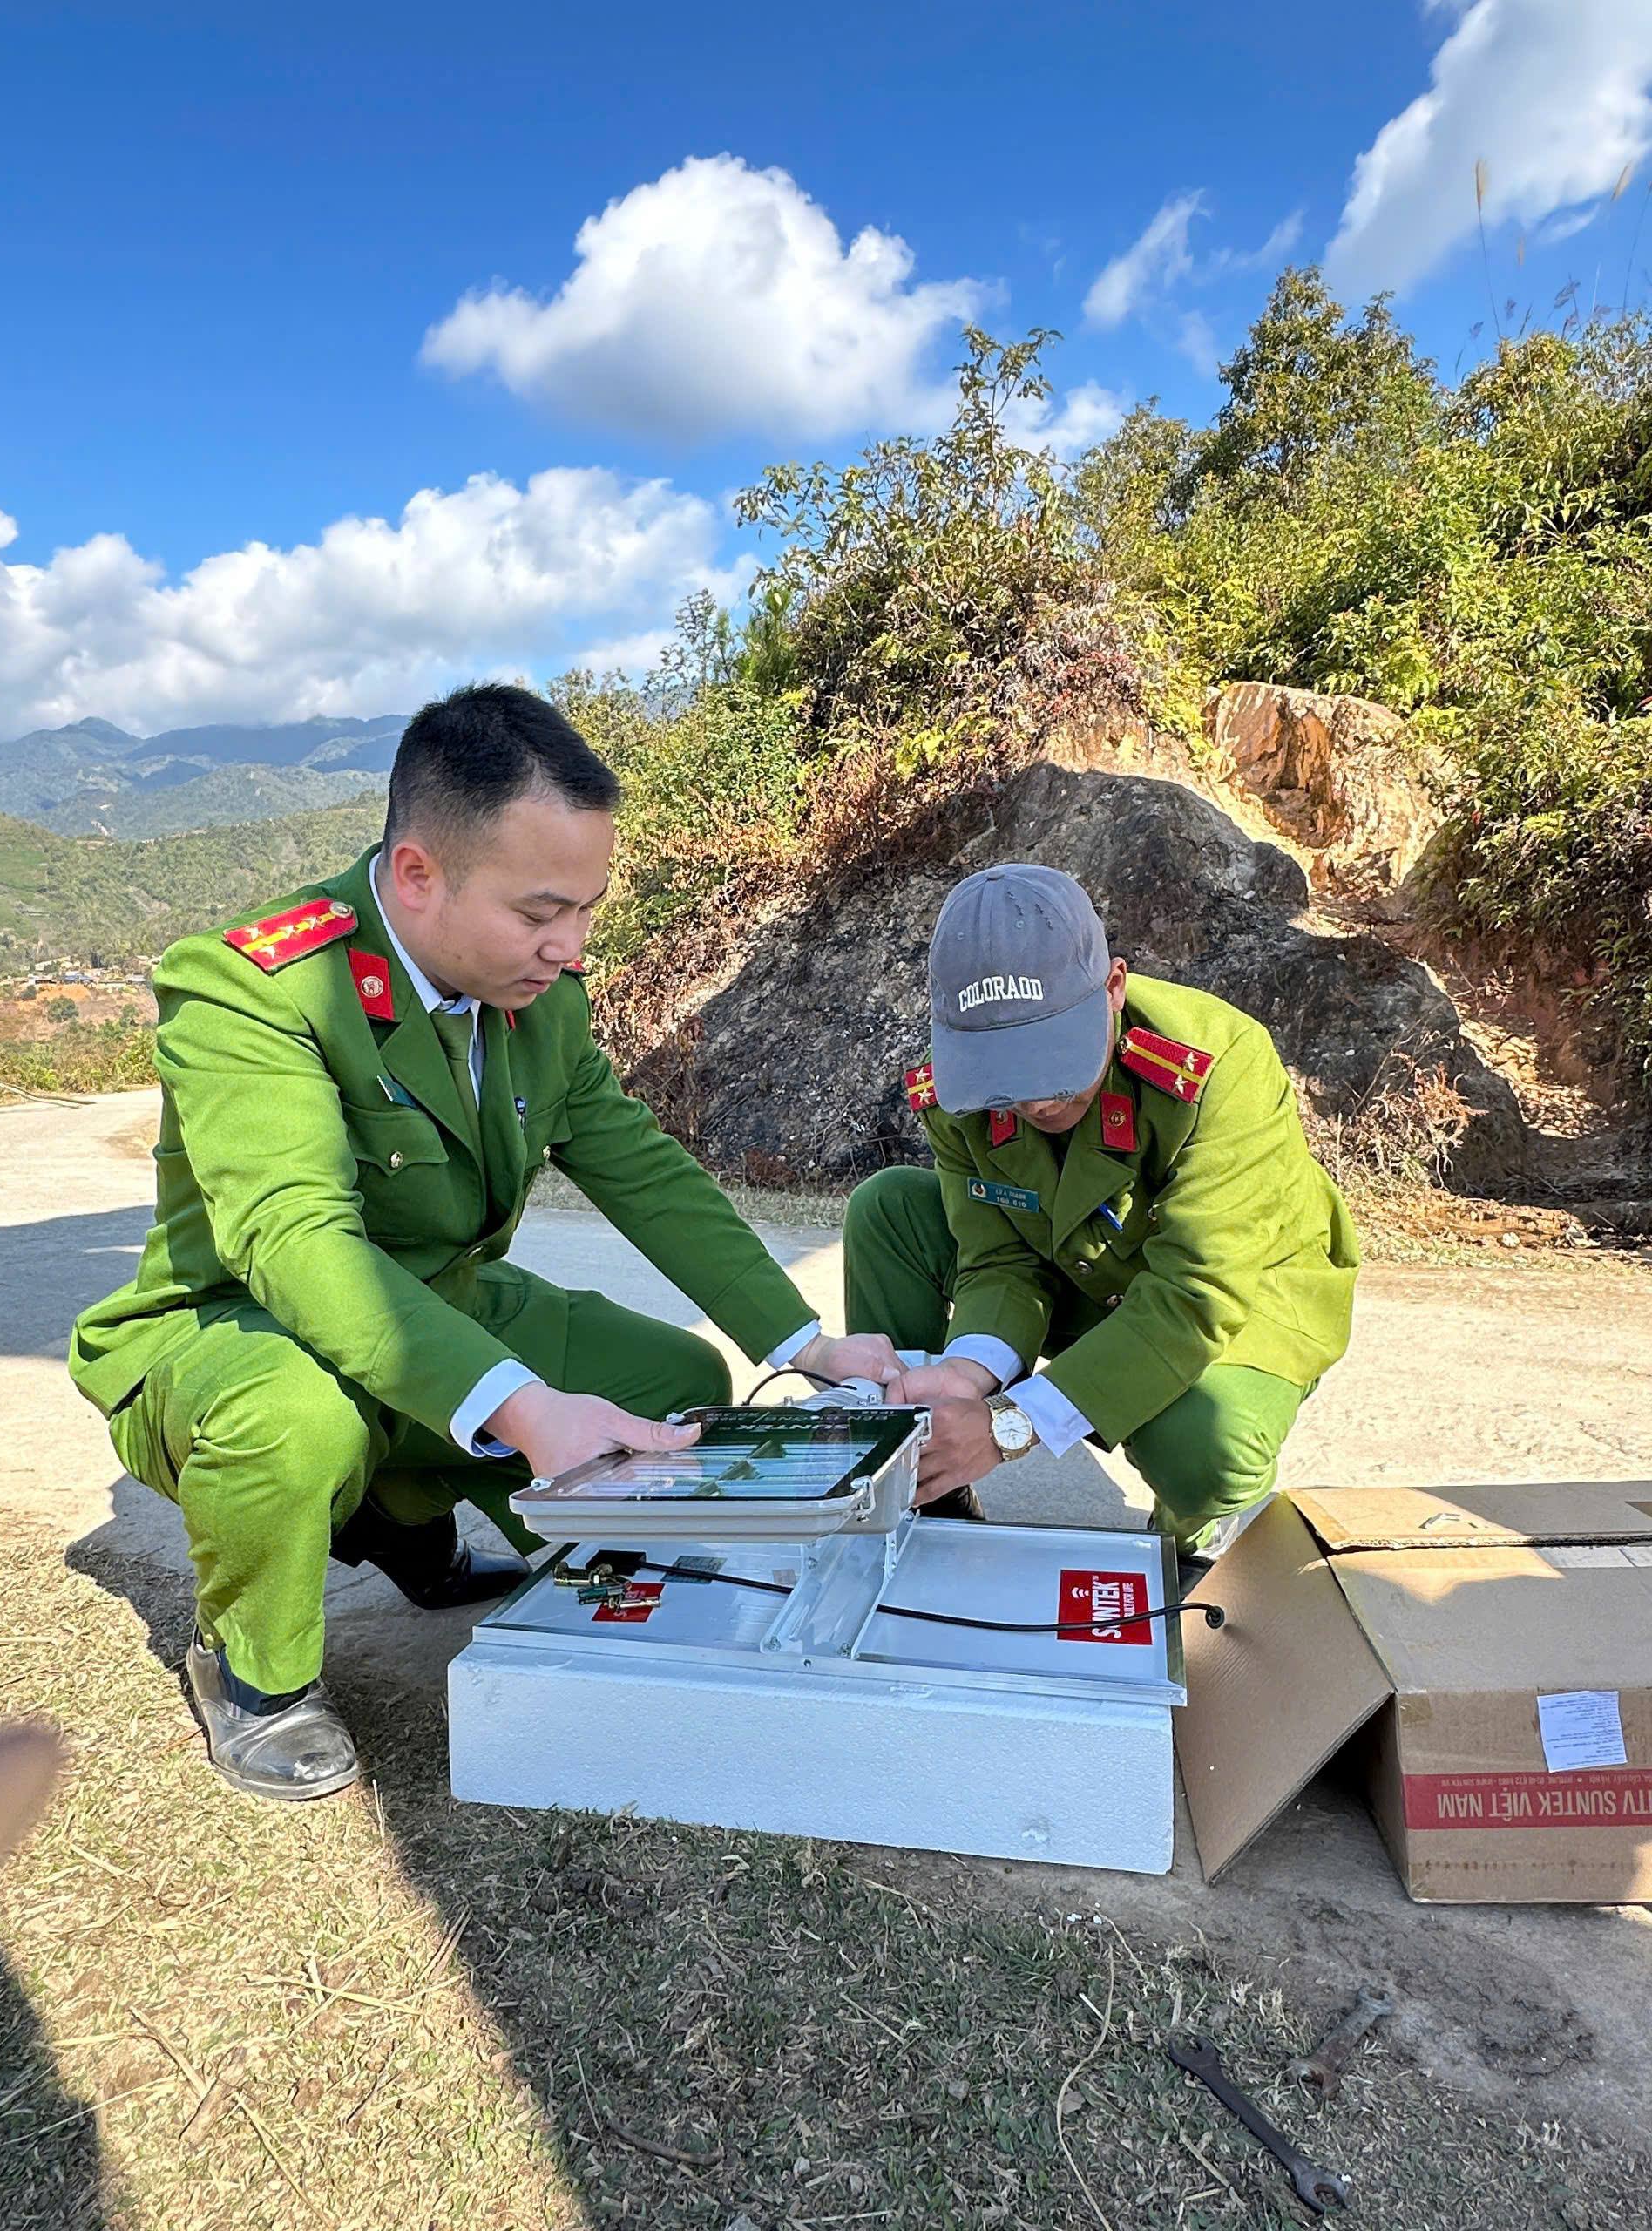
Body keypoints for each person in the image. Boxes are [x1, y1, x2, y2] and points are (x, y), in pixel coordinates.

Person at [69, 685, 896, 1801]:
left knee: (676, 1380)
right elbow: (297, 1243)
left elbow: (637, 1164)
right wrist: (523, 1407)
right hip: (240, 1328)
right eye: (541, 911)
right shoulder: (253, 990)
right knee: (295, 1421)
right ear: (418, 873)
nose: (570, 946)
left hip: (440, 1306)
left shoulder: (538, 992)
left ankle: (415, 1519)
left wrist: (804, 1342)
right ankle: (254, 1676)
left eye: (590, 910)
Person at [843, 864, 1358, 1555]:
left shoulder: (1219, 1064)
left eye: (1051, 1058)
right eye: (1005, 1075)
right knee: (888, 1211)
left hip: (1239, 1293)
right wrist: (968, 1375)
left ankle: (1189, 1537)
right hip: (1082, 1267)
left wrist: (1008, 1424)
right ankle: (925, 1479)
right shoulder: (954, 1093)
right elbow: (999, 1258)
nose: (1036, 1104)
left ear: (1113, 987)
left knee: (1209, 1447)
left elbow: (1195, 1292)